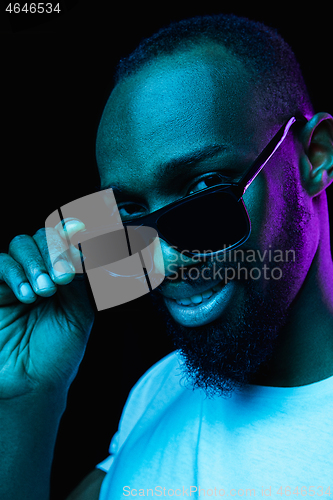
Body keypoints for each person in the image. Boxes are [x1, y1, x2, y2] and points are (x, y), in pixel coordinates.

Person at [1, 12, 333, 500]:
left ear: (315, 158)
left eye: (206, 189)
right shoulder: (159, 387)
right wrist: (29, 395)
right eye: (129, 216)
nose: (169, 259)